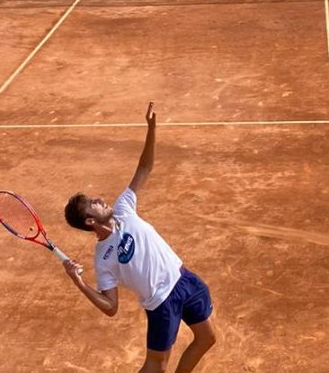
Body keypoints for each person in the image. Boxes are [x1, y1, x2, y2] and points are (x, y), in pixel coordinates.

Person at [62, 103, 217, 373]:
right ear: (90, 221)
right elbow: (110, 307)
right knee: (156, 365)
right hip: (161, 302)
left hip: (183, 279)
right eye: (92, 204)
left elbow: (145, 167)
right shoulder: (103, 258)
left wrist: (152, 128)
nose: (99, 199)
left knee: (207, 337)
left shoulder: (123, 208)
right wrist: (78, 282)